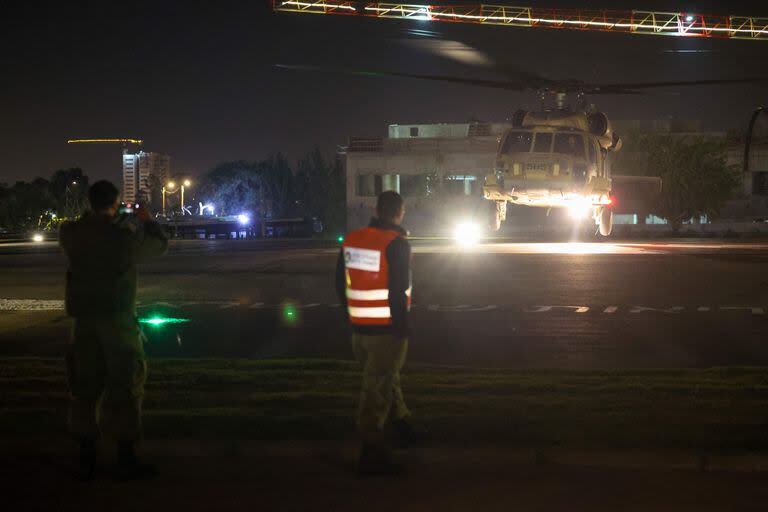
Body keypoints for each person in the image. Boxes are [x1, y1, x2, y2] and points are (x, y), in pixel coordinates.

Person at [59, 180, 168, 480]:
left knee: (84, 388)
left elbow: (81, 230)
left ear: (89, 201)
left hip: (84, 321)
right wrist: (144, 220)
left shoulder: (71, 234)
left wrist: (100, 217)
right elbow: (157, 247)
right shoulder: (122, 238)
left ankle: (86, 456)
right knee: (126, 385)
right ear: (117, 203)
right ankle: (125, 455)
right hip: (117, 320)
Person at [336, 190, 426, 475]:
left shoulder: (352, 240)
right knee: (377, 389)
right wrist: (402, 326)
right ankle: (372, 451)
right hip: (386, 328)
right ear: (400, 212)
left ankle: (402, 426)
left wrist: (353, 315)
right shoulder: (397, 243)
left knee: (386, 378)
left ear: (376, 210)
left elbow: (341, 284)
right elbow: (397, 290)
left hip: (360, 330)